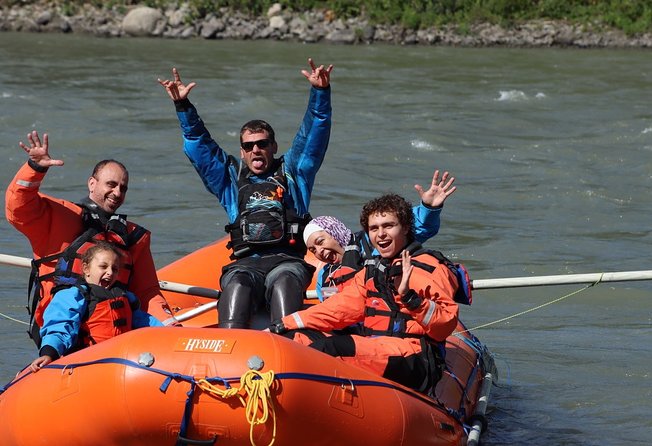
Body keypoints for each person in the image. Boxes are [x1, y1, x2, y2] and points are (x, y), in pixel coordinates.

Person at [158, 58, 333, 329]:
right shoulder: (230, 180)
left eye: (262, 144)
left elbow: (312, 137)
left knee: (285, 284)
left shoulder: (295, 172)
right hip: (245, 265)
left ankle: (288, 348)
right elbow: (200, 149)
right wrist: (183, 107)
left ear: (273, 146)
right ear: (242, 151)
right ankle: (230, 349)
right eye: (249, 146)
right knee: (236, 285)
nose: (255, 150)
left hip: (287, 263)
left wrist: (320, 94)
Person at [271, 194, 460, 393]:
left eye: (388, 226)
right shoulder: (373, 271)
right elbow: (338, 309)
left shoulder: (427, 267)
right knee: (295, 338)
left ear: (405, 228)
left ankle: (296, 398)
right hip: (376, 345)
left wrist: (411, 299)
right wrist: (285, 324)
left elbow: (445, 326)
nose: (381, 234)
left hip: (413, 355)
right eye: (374, 228)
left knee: (329, 349)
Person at [5, 131, 174, 346]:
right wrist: (35, 168)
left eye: (123, 188)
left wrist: (171, 327)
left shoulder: (132, 237)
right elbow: (17, 208)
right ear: (92, 184)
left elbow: (148, 293)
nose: (117, 192)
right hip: (61, 331)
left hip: (114, 334)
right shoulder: (59, 217)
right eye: (111, 184)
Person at [303, 169, 456, 298]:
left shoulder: (375, 241)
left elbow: (417, 226)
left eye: (320, 241)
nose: (319, 251)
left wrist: (429, 208)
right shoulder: (324, 276)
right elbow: (330, 308)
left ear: (334, 232)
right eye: (313, 250)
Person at [29, 241, 164, 372]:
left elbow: (147, 323)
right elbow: (60, 327)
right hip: (87, 364)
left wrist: (170, 335)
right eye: (103, 267)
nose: (110, 272)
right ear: (86, 269)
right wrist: (49, 353)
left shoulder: (125, 297)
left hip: (123, 361)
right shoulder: (74, 296)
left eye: (115, 269)